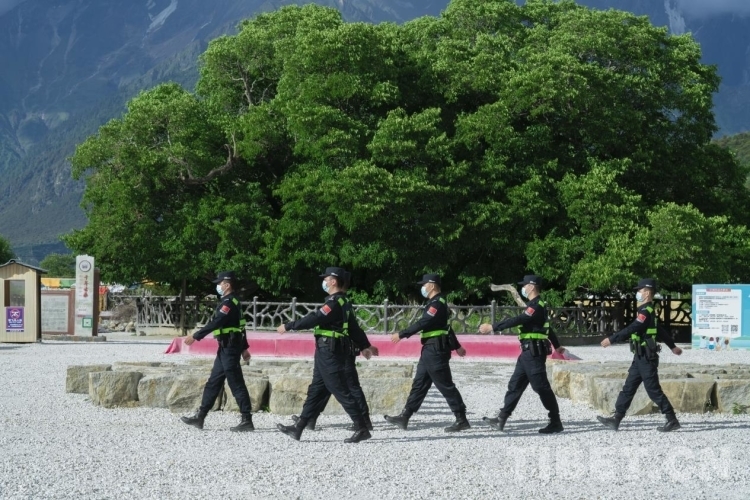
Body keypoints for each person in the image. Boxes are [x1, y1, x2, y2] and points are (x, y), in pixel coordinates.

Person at [276, 267, 371, 443]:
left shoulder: (334, 303)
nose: (324, 282)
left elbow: (315, 318)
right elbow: (354, 328)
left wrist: (289, 326)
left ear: (333, 281)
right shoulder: (343, 302)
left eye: (326, 279)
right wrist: (365, 346)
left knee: (339, 389)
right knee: (316, 390)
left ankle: (362, 427)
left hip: (330, 352)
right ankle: (299, 427)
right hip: (325, 351)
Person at [478, 274, 565, 434]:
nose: (523, 288)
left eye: (524, 286)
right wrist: (557, 345)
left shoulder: (536, 305)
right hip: (527, 353)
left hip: (534, 353)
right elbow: (547, 328)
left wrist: (493, 327)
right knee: (515, 385)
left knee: (541, 387)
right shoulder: (536, 305)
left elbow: (520, 319)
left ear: (531, 287)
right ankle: (501, 419)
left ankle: (555, 421)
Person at [383, 274, 470, 433]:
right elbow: (446, 327)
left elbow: (424, 322)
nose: (422, 287)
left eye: (424, 284)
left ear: (432, 285)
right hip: (429, 350)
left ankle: (461, 419)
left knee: (445, 385)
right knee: (419, 384)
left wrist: (402, 334)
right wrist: (457, 346)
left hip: (436, 351)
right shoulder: (434, 303)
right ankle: (405, 416)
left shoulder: (437, 303)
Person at [597, 278, 682, 432]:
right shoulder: (647, 310)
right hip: (640, 357)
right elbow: (660, 330)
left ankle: (672, 419)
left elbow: (633, 328)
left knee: (653, 390)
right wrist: (673, 347)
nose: (638, 293)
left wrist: (612, 339)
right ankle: (616, 419)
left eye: (640, 290)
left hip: (647, 358)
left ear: (647, 293)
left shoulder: (645, 312)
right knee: (628, 388)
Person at [180, 271, 254, 431]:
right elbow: (241, 326)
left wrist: (196, 335)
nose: (218, 286)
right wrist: (244, 348)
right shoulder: (231, 301)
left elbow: (217, 322)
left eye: (220, 283)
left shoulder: (229, 302)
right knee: (213, 382)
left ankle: (247, 420)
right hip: (225, 348)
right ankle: (200, 417)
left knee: (236, 382)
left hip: (230, 348)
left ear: (227, 285)